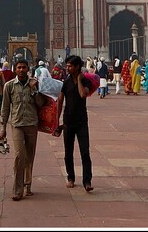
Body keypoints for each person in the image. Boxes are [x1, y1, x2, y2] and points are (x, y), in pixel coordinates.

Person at [0, 58, 44, 201]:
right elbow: (5, 107)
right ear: (14, 69)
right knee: (20, 156)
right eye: (19, 67)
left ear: (28, 69)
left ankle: (27, 185)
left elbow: (40, 104)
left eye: (24, 67)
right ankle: (17, 189)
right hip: (17, 124)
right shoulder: (9, 86)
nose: (21, 70)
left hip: (31, 123)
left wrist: (34, 89)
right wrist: (3, 128)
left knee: (30, 156)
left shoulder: (34, 84)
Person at [55, 55, 93, 192]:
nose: (67, 68)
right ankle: (71, 177)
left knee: (85, 152)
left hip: (81, 121)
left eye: (70, 66)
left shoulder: (86, 81)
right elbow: (60, 101)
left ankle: (87, 181)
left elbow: (83, 95)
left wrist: (79, 80)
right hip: (68, 121)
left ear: (77, 67)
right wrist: (56, 121)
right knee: (68, 152)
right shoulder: (65, 82)